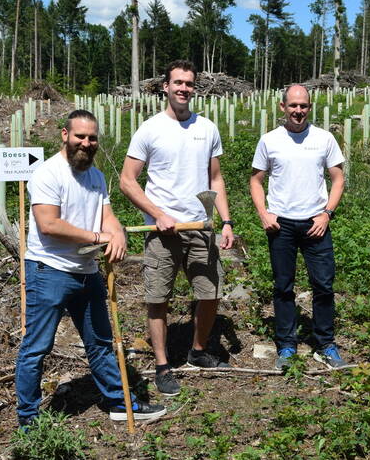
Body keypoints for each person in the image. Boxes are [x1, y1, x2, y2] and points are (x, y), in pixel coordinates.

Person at [15, 110, 166, 428]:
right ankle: (29, 421)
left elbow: (106, 214)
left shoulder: (95, 176)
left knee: (99, 342)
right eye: (80, 136)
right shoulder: (48, 174)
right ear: (64, 135)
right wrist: (100, 236)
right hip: (49, 271)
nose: (86, 143)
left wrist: (117, 232)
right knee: (37, 348)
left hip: (86, 271)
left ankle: (119, 402)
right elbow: (49, 224)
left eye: (92, 138)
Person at [119, 60, 234, 396]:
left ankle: (198, 352)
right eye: (178, 83)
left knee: (210, 291)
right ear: (165, 88)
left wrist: (225, 222)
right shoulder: (150, 129)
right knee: (158, 298)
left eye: (189, 83)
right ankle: (162, 365)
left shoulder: (207, 128)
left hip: (201, 226)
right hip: (162, 231)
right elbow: (128, 181)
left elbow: (215, 178)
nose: (184, 88)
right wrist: (157, 214)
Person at [249, 84, 346, 370]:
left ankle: (326, 343)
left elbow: (337, 179)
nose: (298, 111)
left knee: (324, 285)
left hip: (316, 223)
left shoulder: (324, 138)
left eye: (303, 106)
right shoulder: (270, 140)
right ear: (283, 107)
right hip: (282, 225)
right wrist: (263, 213)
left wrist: (327, 213)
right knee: (283, 286)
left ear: (310, 107)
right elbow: (256, 180)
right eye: (293, 105)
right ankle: (287, 345)